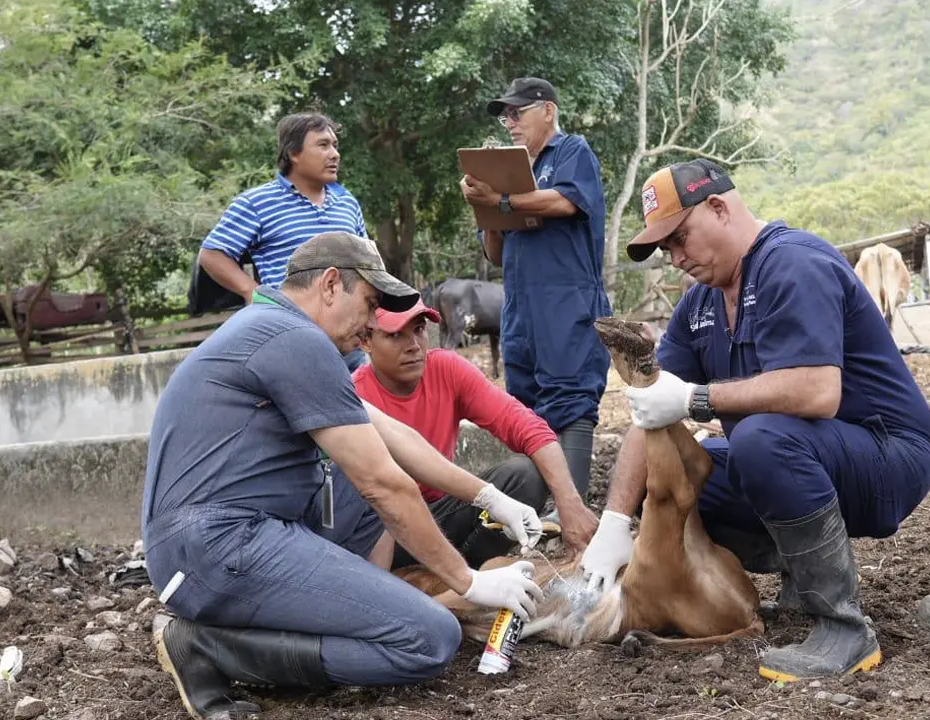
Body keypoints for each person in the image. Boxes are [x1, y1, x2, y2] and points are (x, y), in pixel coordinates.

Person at [141, 232, 547, 720]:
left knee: (358, 489)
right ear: (332, 284)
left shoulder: (277, 330)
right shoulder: (294, 340)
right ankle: (209, 648)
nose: (373, 322)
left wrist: (488, 495)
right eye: (371, 303)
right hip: (218, 546)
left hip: (218, 540)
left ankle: (352, 615)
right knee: (430, 638)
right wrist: (468, 582)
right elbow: (384, 483)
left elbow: (395, 439)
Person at [578, 160, 930, 683]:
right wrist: (614, 521)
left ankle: (845, 628)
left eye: (680, 238)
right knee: (680, 471)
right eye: (666, 249)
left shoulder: (792, 264)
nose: (676, 258)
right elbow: (652, 407)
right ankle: (799, 578)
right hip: (811, 455)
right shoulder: (700, 302)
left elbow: (817, 390)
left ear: (720, 207)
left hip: (888, 456)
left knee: (761, 439)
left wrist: (696, 399)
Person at [353, 299, 601, 568]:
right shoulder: (355, 395)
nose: (413, 345)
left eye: (419, 329)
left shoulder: (446, 369)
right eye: (394, 335)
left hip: (442, 511)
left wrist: (569, 504)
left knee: (525, 476)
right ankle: (431, 582)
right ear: (365, 341)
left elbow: (527, 426)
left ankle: (474, 570)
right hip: (388, 532)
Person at [459, 77, 611, 506]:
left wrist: (504, 197)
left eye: (517, 112)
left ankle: (573, 515)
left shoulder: (571, 152)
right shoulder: (508, 173)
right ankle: (533, 514)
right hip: (520, 306)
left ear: (547, 111)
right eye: (505, 114)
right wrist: (484, 205)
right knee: (524, 405)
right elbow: (494, 252)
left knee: (572, 398)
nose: (510, 122)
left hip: (567, 301)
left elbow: (566, 202)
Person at [197, 110, 372, 371]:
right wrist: (252, 291)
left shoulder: (347, 203)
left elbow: (368, 265)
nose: (334, 154)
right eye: (323, 145)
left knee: (356, 409)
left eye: (335, 145)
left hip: (348, 346)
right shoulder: (257, 202)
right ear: (293, 153)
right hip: (290, 340)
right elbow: (211, 254)